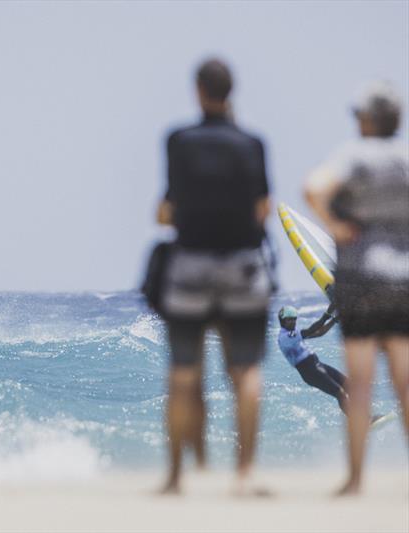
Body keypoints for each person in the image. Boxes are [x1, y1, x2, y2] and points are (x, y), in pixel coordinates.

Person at [155, 58, 273, 495]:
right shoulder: (252, 143)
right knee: (245, 371)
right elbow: (263, 207)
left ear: (199, 90)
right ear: (232, 92)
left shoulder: (178, 141)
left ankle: (174, 478)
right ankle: (244, 475)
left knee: (183, 374)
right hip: (242, 266)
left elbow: (167, 209)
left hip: (190, 267)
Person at [304, 80, 409, 496]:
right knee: (404, 380)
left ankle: (355, 479)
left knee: (361, 381)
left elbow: (314, 188)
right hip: (402, 281)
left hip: (362, 281)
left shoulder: (355, 154)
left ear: (367, 120)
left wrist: (337, 227)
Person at [277, 305, 349, 413]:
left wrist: (334, 320)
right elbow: (311, 329)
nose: (293, 322)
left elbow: (319, 332)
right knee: (340, 393)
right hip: (310, 371)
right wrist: (327, 314)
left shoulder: (293, 332)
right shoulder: (285, 337)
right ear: (282, 321)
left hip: (318, 365)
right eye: (289, 320)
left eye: (294, 319)